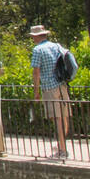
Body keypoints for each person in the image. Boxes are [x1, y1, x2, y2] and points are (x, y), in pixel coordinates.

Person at [29, 24, 71, 160]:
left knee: (57, 118)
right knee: (64, 116)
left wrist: (36, 91)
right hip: (62, 84)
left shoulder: (37, 50)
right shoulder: (56, 46)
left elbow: (36, 72)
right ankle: (61, 145)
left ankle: (62, 149)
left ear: (36, 36)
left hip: (49, 87)